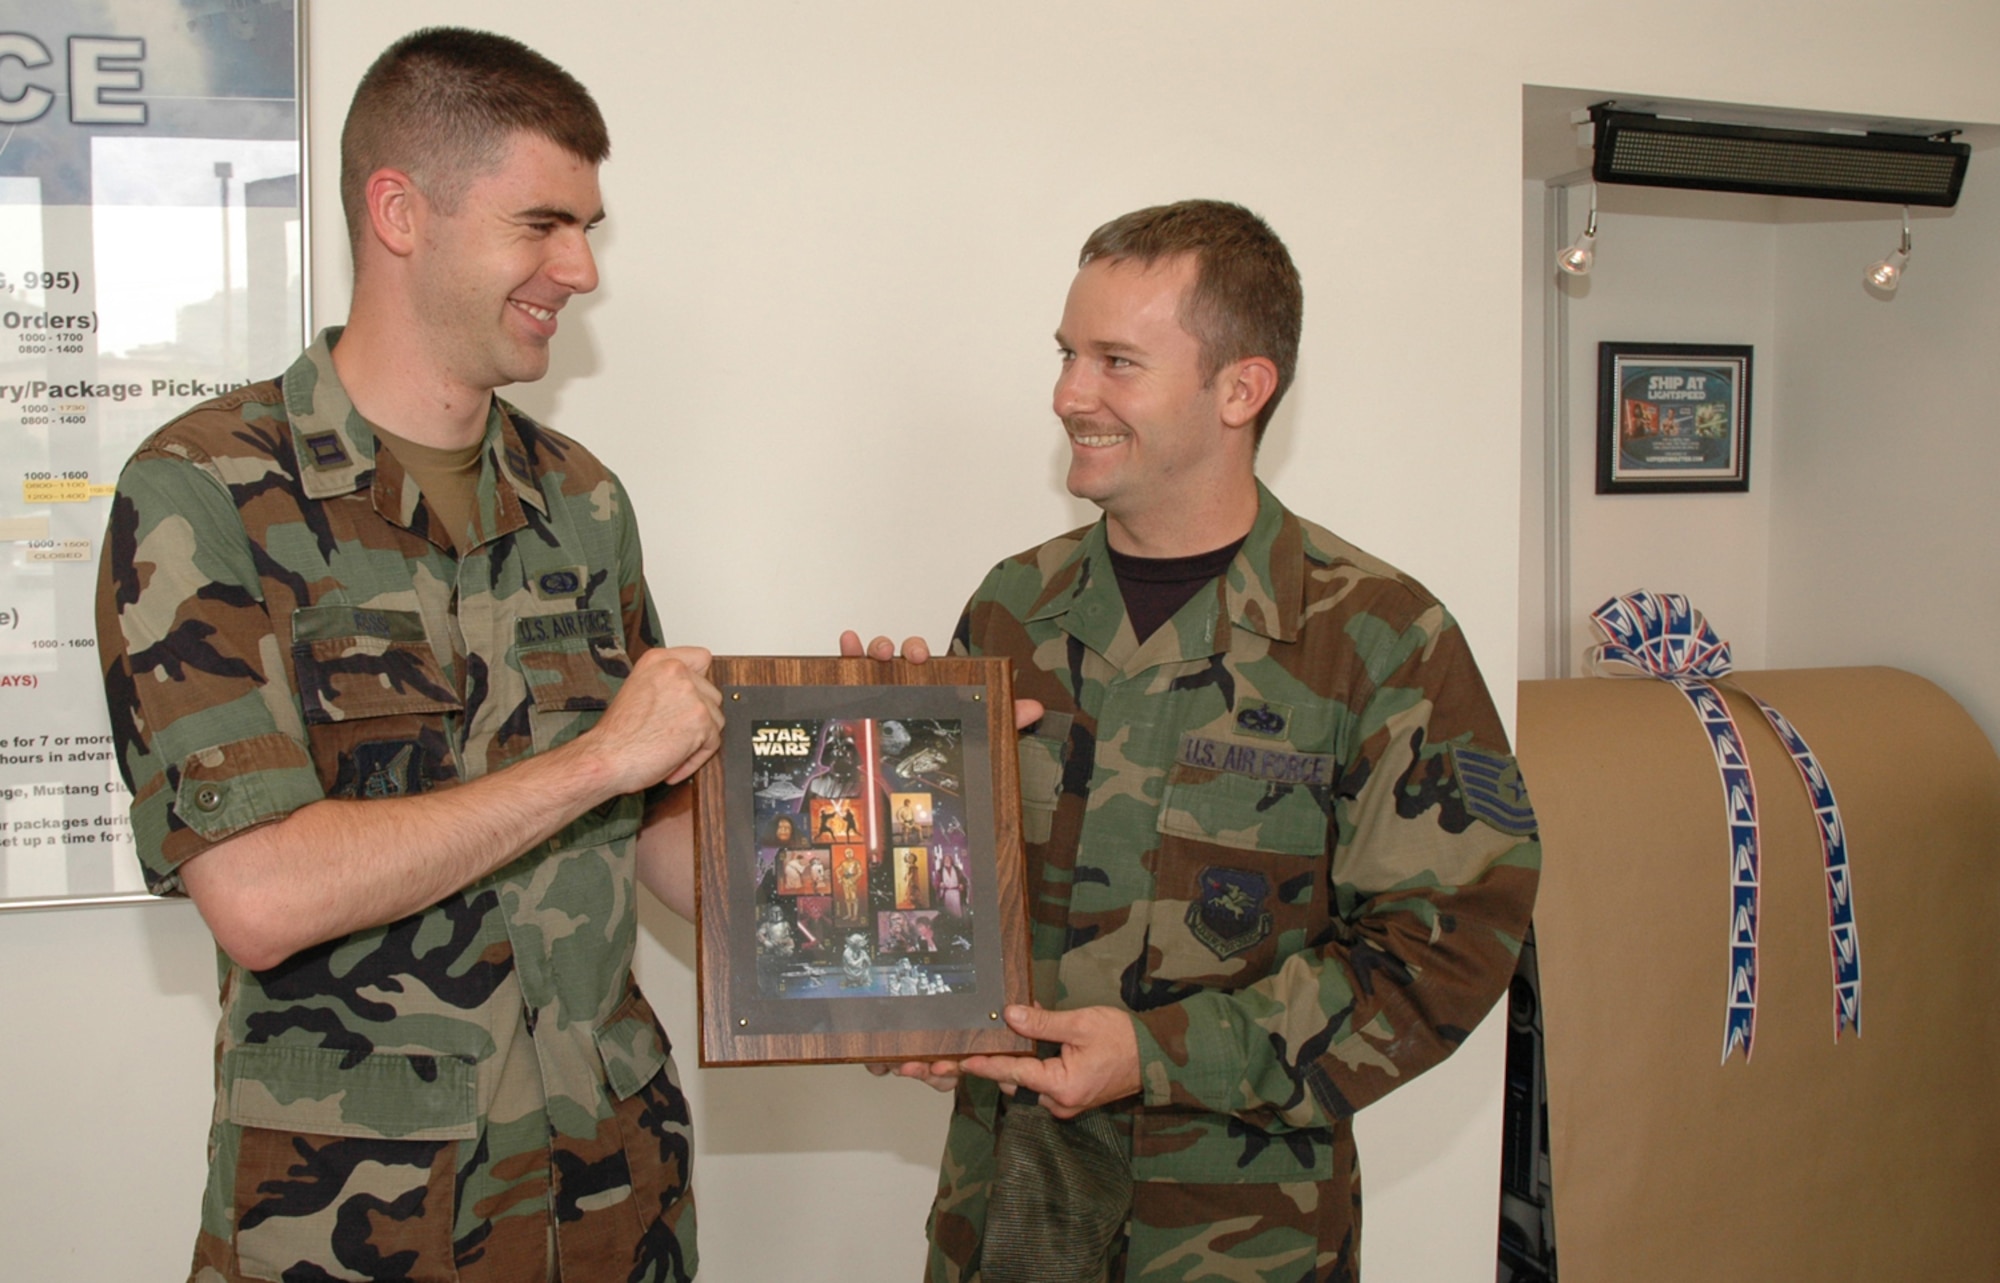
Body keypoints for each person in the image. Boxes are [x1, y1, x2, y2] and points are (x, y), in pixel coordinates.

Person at [93, 29, 719, 1283]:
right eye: (542, 224)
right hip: (357, 1228)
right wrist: (594, 761)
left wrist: (879, 811)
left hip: (608, 1203)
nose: (581, 268)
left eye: (587, 226)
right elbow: (262, 893)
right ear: (399, 212)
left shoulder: (580, 500)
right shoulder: (204, 492)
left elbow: (657, 832)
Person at [851, 200, 1539, 1282]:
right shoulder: (1012, 607)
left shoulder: (1375, 637)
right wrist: (874, 776)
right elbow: (946, 894)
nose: (1068, 393)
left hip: (1236, 1223)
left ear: (1239, 387)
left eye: (1115, 360)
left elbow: (1445, 947)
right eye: (1067, 354)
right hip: (1012, 1205)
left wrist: (1158, 1053)